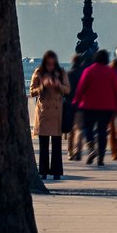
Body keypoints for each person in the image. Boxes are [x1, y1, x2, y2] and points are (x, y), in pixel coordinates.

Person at [72, 49, 117, 166]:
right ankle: (101, 157)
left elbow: (81, 88)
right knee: (102, 131)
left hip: (90, 106)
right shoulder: (111, 72)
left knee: (88, 129)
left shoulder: (89, 71)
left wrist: (76, 101)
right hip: (107, 107)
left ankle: (91, 149)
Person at [29, 51, 70, 180]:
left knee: (57, 144)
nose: (51, 66)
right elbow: (32, 91)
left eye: (53, 63)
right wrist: (42, 86)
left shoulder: (61, 72)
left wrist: (59, 85)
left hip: (57, 112)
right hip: (44, 112)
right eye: (49, 64)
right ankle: (43, 171)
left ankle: (57, 171)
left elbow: (68, 89)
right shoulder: (38, 72)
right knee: (44, 144)